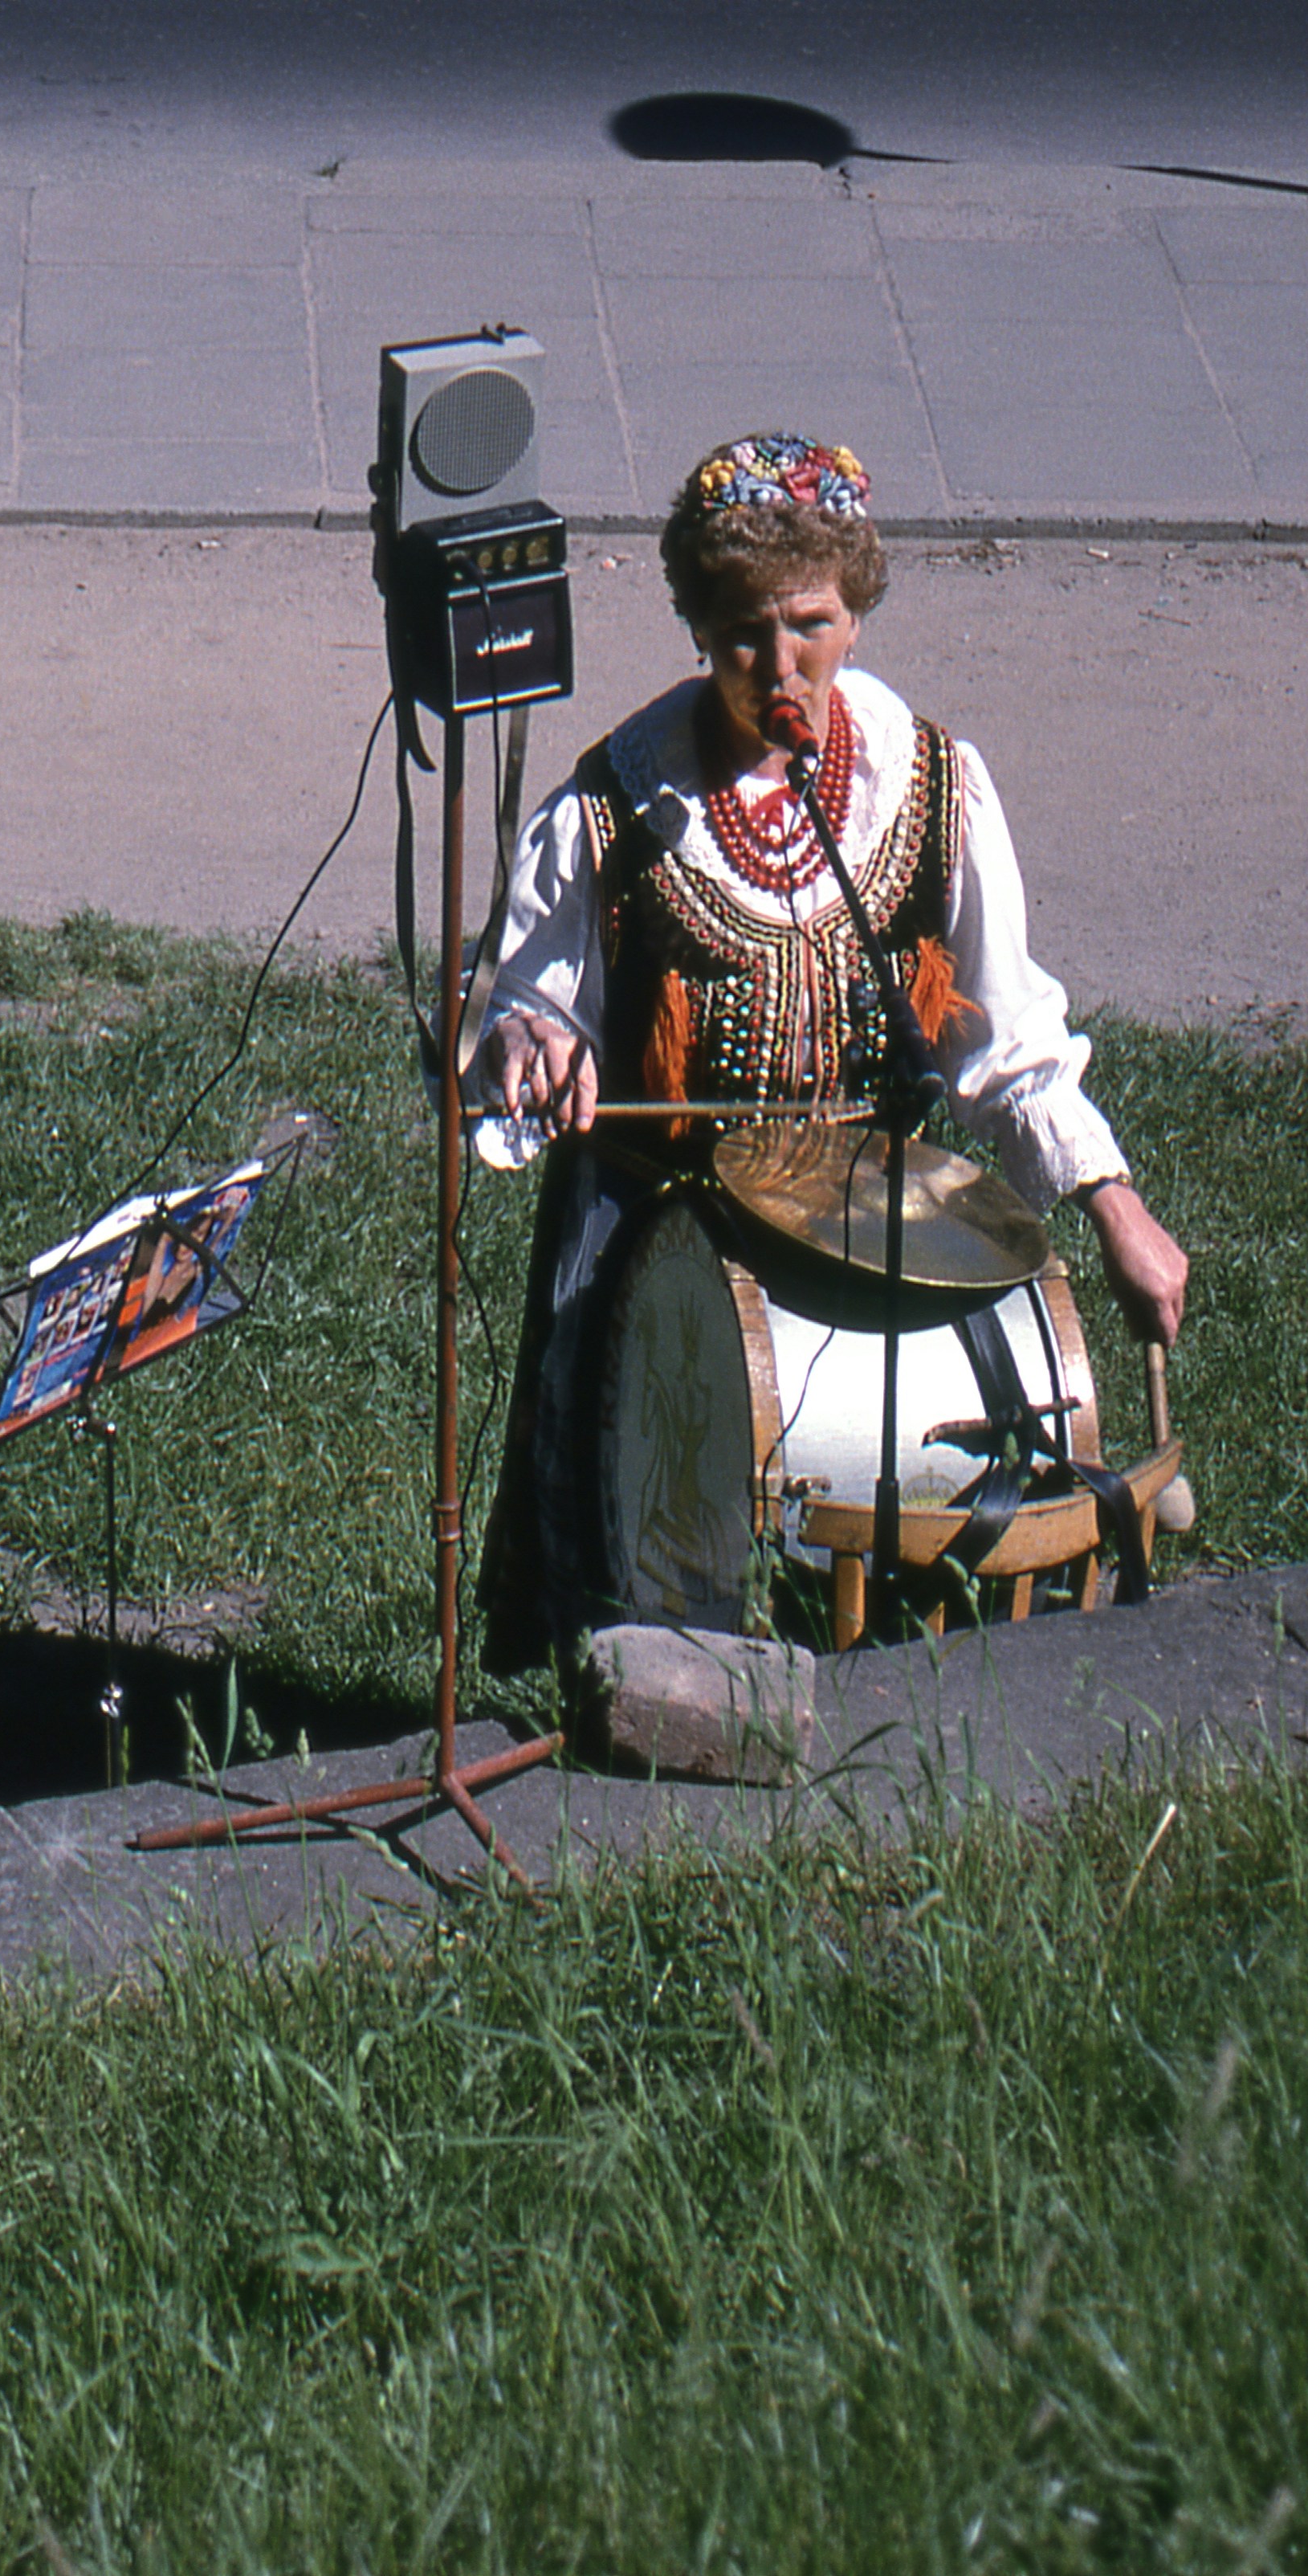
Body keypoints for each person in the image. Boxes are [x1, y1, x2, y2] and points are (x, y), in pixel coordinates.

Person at [470, 431, 1190, 1664]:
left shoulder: (932, 788)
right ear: (697, 627)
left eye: (809, 623)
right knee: (640, 1603)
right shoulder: (613, 810)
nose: (778, 667)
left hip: (871, 1243)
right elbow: (524, 1009)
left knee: (890, 1585)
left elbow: (998, 1033)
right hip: (656, 1241)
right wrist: (532, 1048)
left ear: (857, 613)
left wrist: (1111, 1201)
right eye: (743, 631)